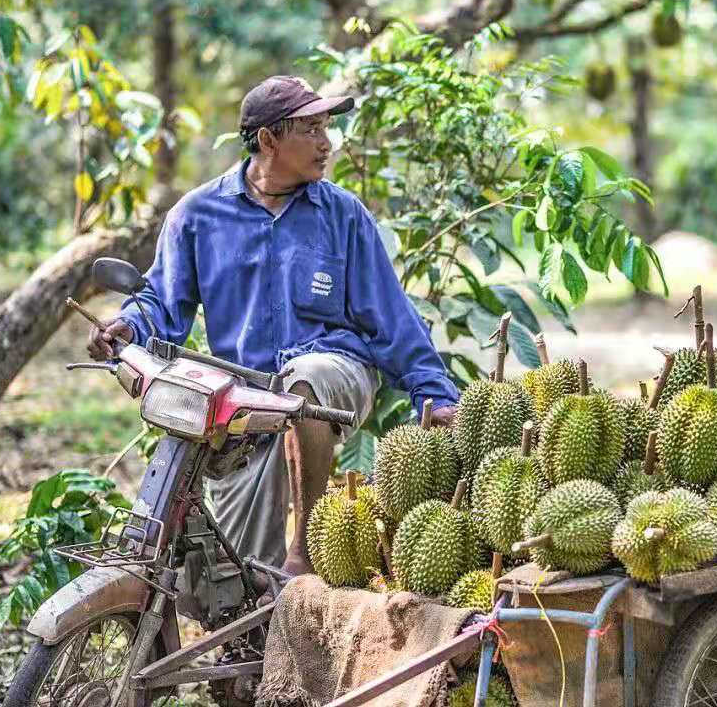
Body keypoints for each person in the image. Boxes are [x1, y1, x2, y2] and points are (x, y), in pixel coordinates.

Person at [88, 75, 460, 578]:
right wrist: (128, 327)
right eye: (311, 129)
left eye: (327, 127)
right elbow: (161, 302)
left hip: (335, 373)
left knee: (304, 379)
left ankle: (305, 552)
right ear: (268, 140)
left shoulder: (343, 215)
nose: (326, 143)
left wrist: (434, 395)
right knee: (239, 578)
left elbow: (392, 317)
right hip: (245, 399)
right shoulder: (197, 216)